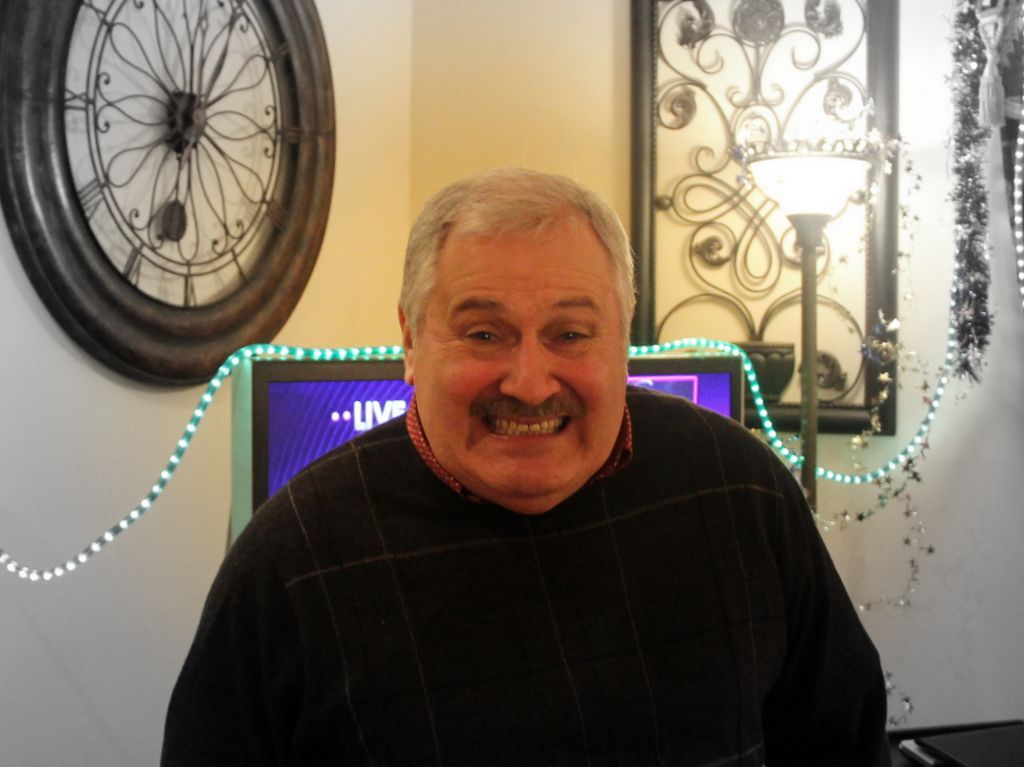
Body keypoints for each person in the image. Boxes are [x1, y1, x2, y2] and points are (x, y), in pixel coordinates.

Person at [162, 167, 891, 766]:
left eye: (570, 333)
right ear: (411, 342)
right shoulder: (292, 560)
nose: (531, 383)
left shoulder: (741, 490)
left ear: (622, 341)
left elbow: (844, 746)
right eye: (484, 333)